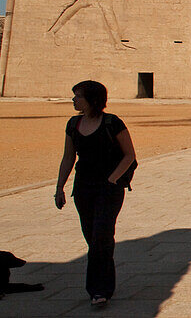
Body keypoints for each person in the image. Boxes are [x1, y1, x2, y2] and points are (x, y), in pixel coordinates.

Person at [55, 80, 138, 307]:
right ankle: (100, 285)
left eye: (78, 96)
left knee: (101, 236)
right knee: (92, 238)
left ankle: (99, 290)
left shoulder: (112, 122)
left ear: (92, 99)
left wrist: (113, 179)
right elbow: (68, 157)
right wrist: (59, 187)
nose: (73, 100)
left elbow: (129, 154)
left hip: (109, 189)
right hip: (83, 188)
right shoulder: (73, 124)